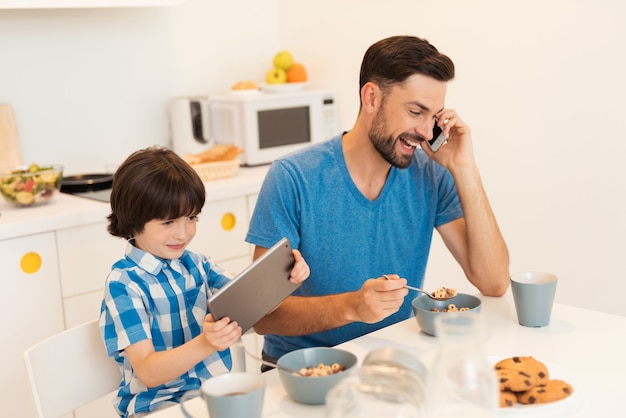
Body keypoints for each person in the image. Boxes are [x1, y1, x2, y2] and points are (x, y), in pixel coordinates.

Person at [245, 35, 510, 368]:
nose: (428, 132)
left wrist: (464, 167)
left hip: (392, 362)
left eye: (435, 116)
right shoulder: (294, 177)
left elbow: (494, 280)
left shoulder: (431, 174)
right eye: (416, 111)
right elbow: (261, 315)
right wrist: (352, 307)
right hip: (303, 371)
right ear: (371, 97)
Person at [99, 146, 309, 417]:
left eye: (192, 218)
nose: (183, 233)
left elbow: (252, 300)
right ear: (132, 220)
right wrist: (207, 343)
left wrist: (285, 275)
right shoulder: (124, 284)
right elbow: (149, 372)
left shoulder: (198, 264)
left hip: (215, 399)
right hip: (158, 408)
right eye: (168, 222)